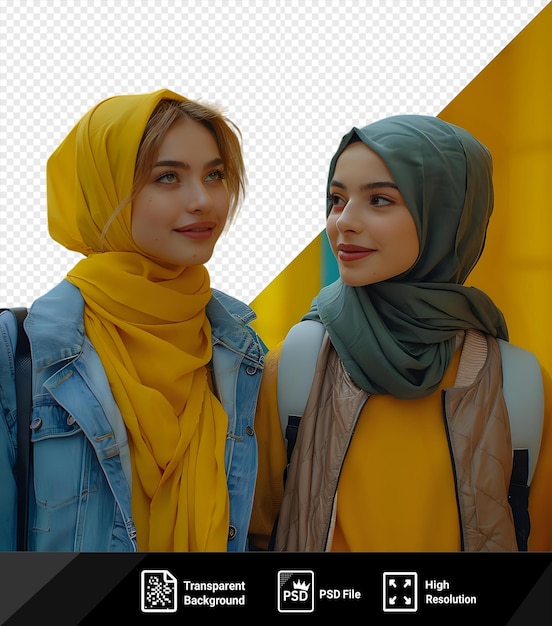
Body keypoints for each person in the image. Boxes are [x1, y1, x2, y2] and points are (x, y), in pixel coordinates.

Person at [249, 115, 552, 552]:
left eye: (379, 200)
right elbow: (254, 531)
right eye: (337, 198)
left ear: (446, 213)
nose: (344, 222)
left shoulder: (518, 383)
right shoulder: (299, 362)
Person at [0, 88, 266, 552]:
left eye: (215, 174)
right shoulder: (21, 352)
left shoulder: (240, 350)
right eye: (167, 177)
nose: (203, 199)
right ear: (105, 190)